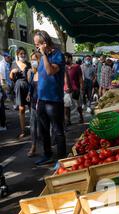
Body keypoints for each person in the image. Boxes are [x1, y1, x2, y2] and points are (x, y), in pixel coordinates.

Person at [33, 30, 66, 166]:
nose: (36, 47)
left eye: (37, 44)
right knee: (43, 130)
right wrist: (38, 99)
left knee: (58, 131)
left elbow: (50, 71)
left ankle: (61, 158)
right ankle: (47, 154)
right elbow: (40, 78)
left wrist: (44, 55)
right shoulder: (42, 57)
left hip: (54, 100)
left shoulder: (58, 55)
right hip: (42, 100)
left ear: (44, 43)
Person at [10, 48, 31, 139]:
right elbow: (11, 78)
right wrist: (12, 72)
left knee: (31, 108)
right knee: (21, 108)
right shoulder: (14, 64)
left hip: (28, 85)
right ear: (18, 54)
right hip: (19, 86)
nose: (23, 55)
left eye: (24, 53)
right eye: (21, 53)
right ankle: (23, 130)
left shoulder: (28, 64)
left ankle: (34, 127)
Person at [26, 52, 41, 157]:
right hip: (33, 103)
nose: (33, 62)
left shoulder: (44, 72)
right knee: (33, 126)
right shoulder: (32, 72)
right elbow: (31, 86)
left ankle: (47, 147)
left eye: (34, 59)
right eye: (31, 59)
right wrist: (28, 93)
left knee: (44, 127)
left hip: (43, 103)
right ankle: (33, 146)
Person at [64, 52, 84, 125]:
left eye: (66, 58)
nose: (64, 59)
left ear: (70, 58)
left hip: (75, 89)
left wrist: (82, 87)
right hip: (66, 90)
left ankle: (81, 117)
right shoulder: (63, 67)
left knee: (78, 105)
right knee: (66, 106)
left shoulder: (76, 66)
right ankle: (68, 120)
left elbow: (80, 77)